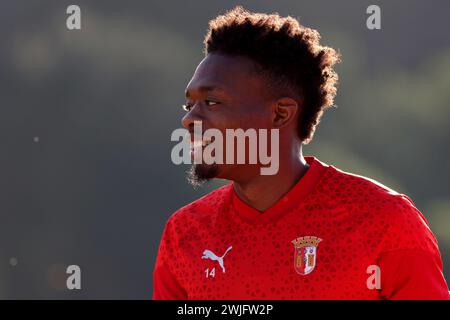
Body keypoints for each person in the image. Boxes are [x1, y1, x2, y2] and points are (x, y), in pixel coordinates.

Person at [153, 6, 449, 299]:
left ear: (281, 114)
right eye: (189, 104)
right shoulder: (184, 233)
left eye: (212, 102)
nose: (189, 119)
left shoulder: (385, 221)